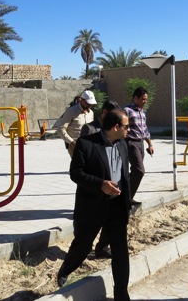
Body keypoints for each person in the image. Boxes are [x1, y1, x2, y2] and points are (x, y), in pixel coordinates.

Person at [57, 109, 132, 301]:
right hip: (93, 206)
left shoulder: (123, 144)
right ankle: (66, 269)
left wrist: (127, 203)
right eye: (126, 126)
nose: (129, 130)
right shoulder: (86, 144)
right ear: (115, 127)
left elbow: (125, 175)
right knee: (83, 246)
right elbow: (76, 173)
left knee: (120, 251)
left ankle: (121, 295)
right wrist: (100, 184)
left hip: (117, 207)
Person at [79, 98, 121, 259]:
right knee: (88, 223)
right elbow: (80, 165)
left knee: (111, 220)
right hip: (93, 186)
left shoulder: (115, 131)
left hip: (111, 183)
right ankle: (81, 251)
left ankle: (102, 247)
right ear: (104, 113)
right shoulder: (89, 129)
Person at [123, 87, 154, 205]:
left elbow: (145, 130)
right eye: (143, 99)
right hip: (131, 143)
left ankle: (127, 196)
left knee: (135, 172)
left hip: (140, 143)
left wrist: (150, 144)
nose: (145, 101)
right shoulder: (127, 110)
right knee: (139, 170)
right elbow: (122, 126)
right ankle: (126, 198)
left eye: (146, 99)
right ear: (135, 98)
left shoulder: (142, 112)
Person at [54, 90, 96, 157]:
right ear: (82, 100)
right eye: (88, 103)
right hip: (75, 146)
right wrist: (72, 142)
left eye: (91, 103)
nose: (90, 105)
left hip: (88, 145)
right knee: (79, 163)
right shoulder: (71, 111)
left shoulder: (91, 113)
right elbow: (61, 129)